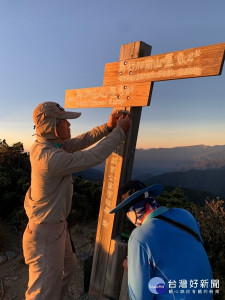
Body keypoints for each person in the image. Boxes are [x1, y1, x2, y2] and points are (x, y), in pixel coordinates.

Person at [23, 101, 130, 300]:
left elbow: (80, 142)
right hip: (45, 233)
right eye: (65, 122)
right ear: (52, 126)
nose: (69, 125)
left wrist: (107, 128)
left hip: (54, 228)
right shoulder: (49, 158)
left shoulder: (48, 144)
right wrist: (119, 133)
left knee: (68, 267)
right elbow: (93, 156)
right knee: (41, 292)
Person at [110, 180, 213, 300]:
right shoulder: (186, 215)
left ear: (131, 213)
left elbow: (140, 297)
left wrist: (133, 268)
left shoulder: (139, 237)